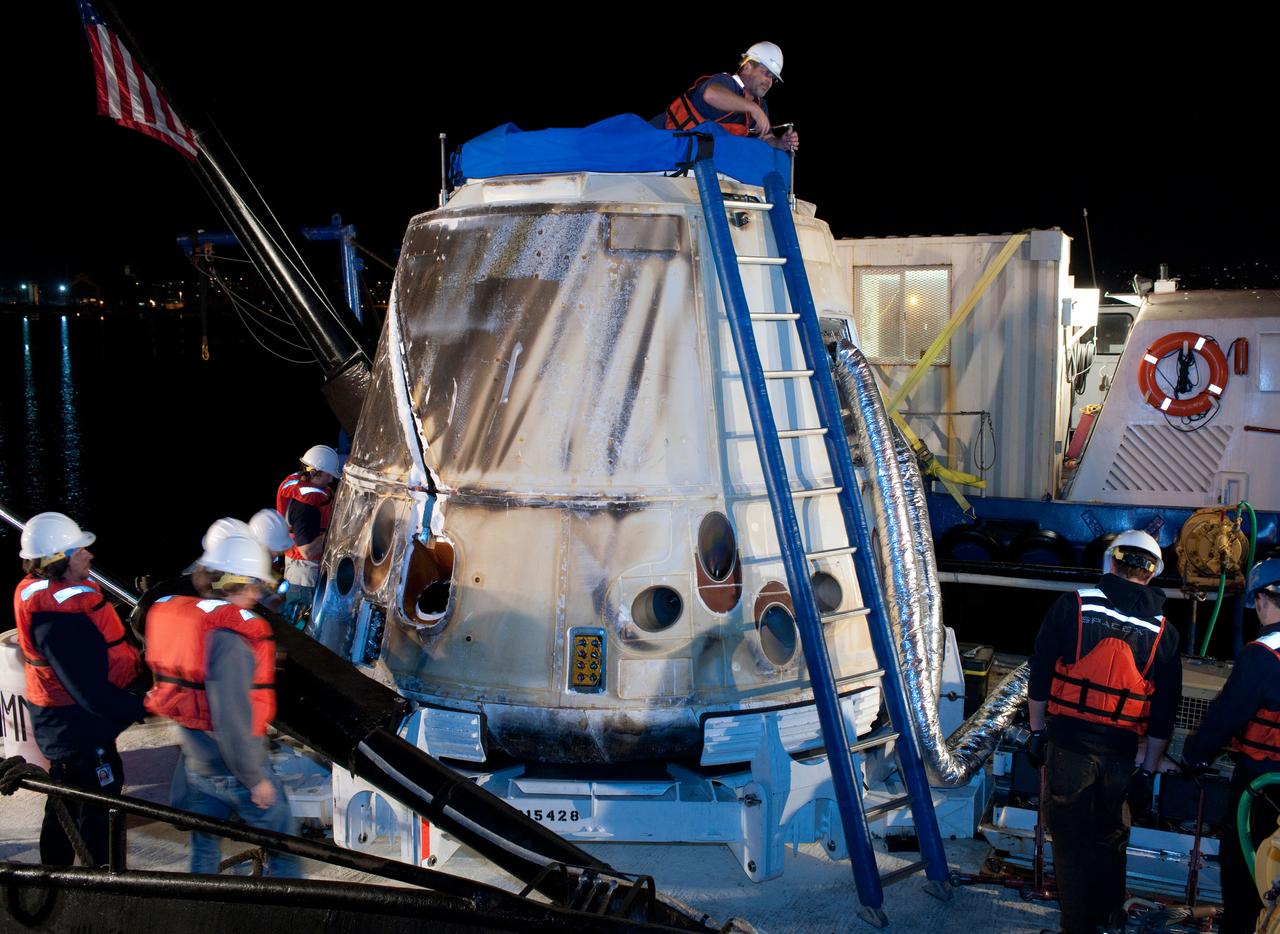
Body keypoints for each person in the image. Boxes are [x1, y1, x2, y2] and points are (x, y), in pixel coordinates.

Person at [1025, 529, 1182, 934]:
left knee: (1071, 841)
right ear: (1151, 575)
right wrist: (1147, 770)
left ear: (1112, 561)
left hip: (1070, 747)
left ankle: (1077, 928)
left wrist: (1037, 731)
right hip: (1121, 755)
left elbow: (1040, 674)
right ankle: (1110, 922)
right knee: (1110, 838)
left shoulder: (1073, 605)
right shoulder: (1165, 632)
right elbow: (1165, 713)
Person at [142, 532, 300, 877]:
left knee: (204, 846)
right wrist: (255, 778)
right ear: (234, 583)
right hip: (234, 771)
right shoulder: (231, 642)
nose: (258, 594)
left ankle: (202, 904)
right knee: (287, 845)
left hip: (197, 767)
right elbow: (231, 721)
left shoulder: (193, 624)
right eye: (254, 585)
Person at [12, 511, 145, 866]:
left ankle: (58, 876)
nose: (90, 555)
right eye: (80, 551)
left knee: (68, 800)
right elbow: (90, 693)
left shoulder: (58, 600)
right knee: (98, 807)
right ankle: (100, 882)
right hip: (76, 727)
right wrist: (143, 704)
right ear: (61, 561)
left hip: (72, 722)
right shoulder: (57, 619)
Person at [1183, 558, 1280, 933]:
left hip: (1261, 786)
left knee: (1247, 870)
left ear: (1261, 600)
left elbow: (1226, 716)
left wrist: (1195, 755)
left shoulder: (1263, 653)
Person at [654, 41, 799, 152]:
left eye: (773, 78)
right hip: (660, 142)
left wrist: (781, 143)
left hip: (692, 158)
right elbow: (711, 95)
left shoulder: (760, 104)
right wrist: (754, 109)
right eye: (766, 73)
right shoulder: (725, 82)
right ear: (747, 67)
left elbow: (766, 138)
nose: (769, 82)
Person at [275, 444, 341, 618]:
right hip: (303, 578)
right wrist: (333, 533)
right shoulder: (306, 506)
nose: (331, 480)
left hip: (300, 573)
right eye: (328, 475)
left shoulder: (304, 488)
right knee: (300, 624)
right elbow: (307, 551)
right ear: (314, 472)